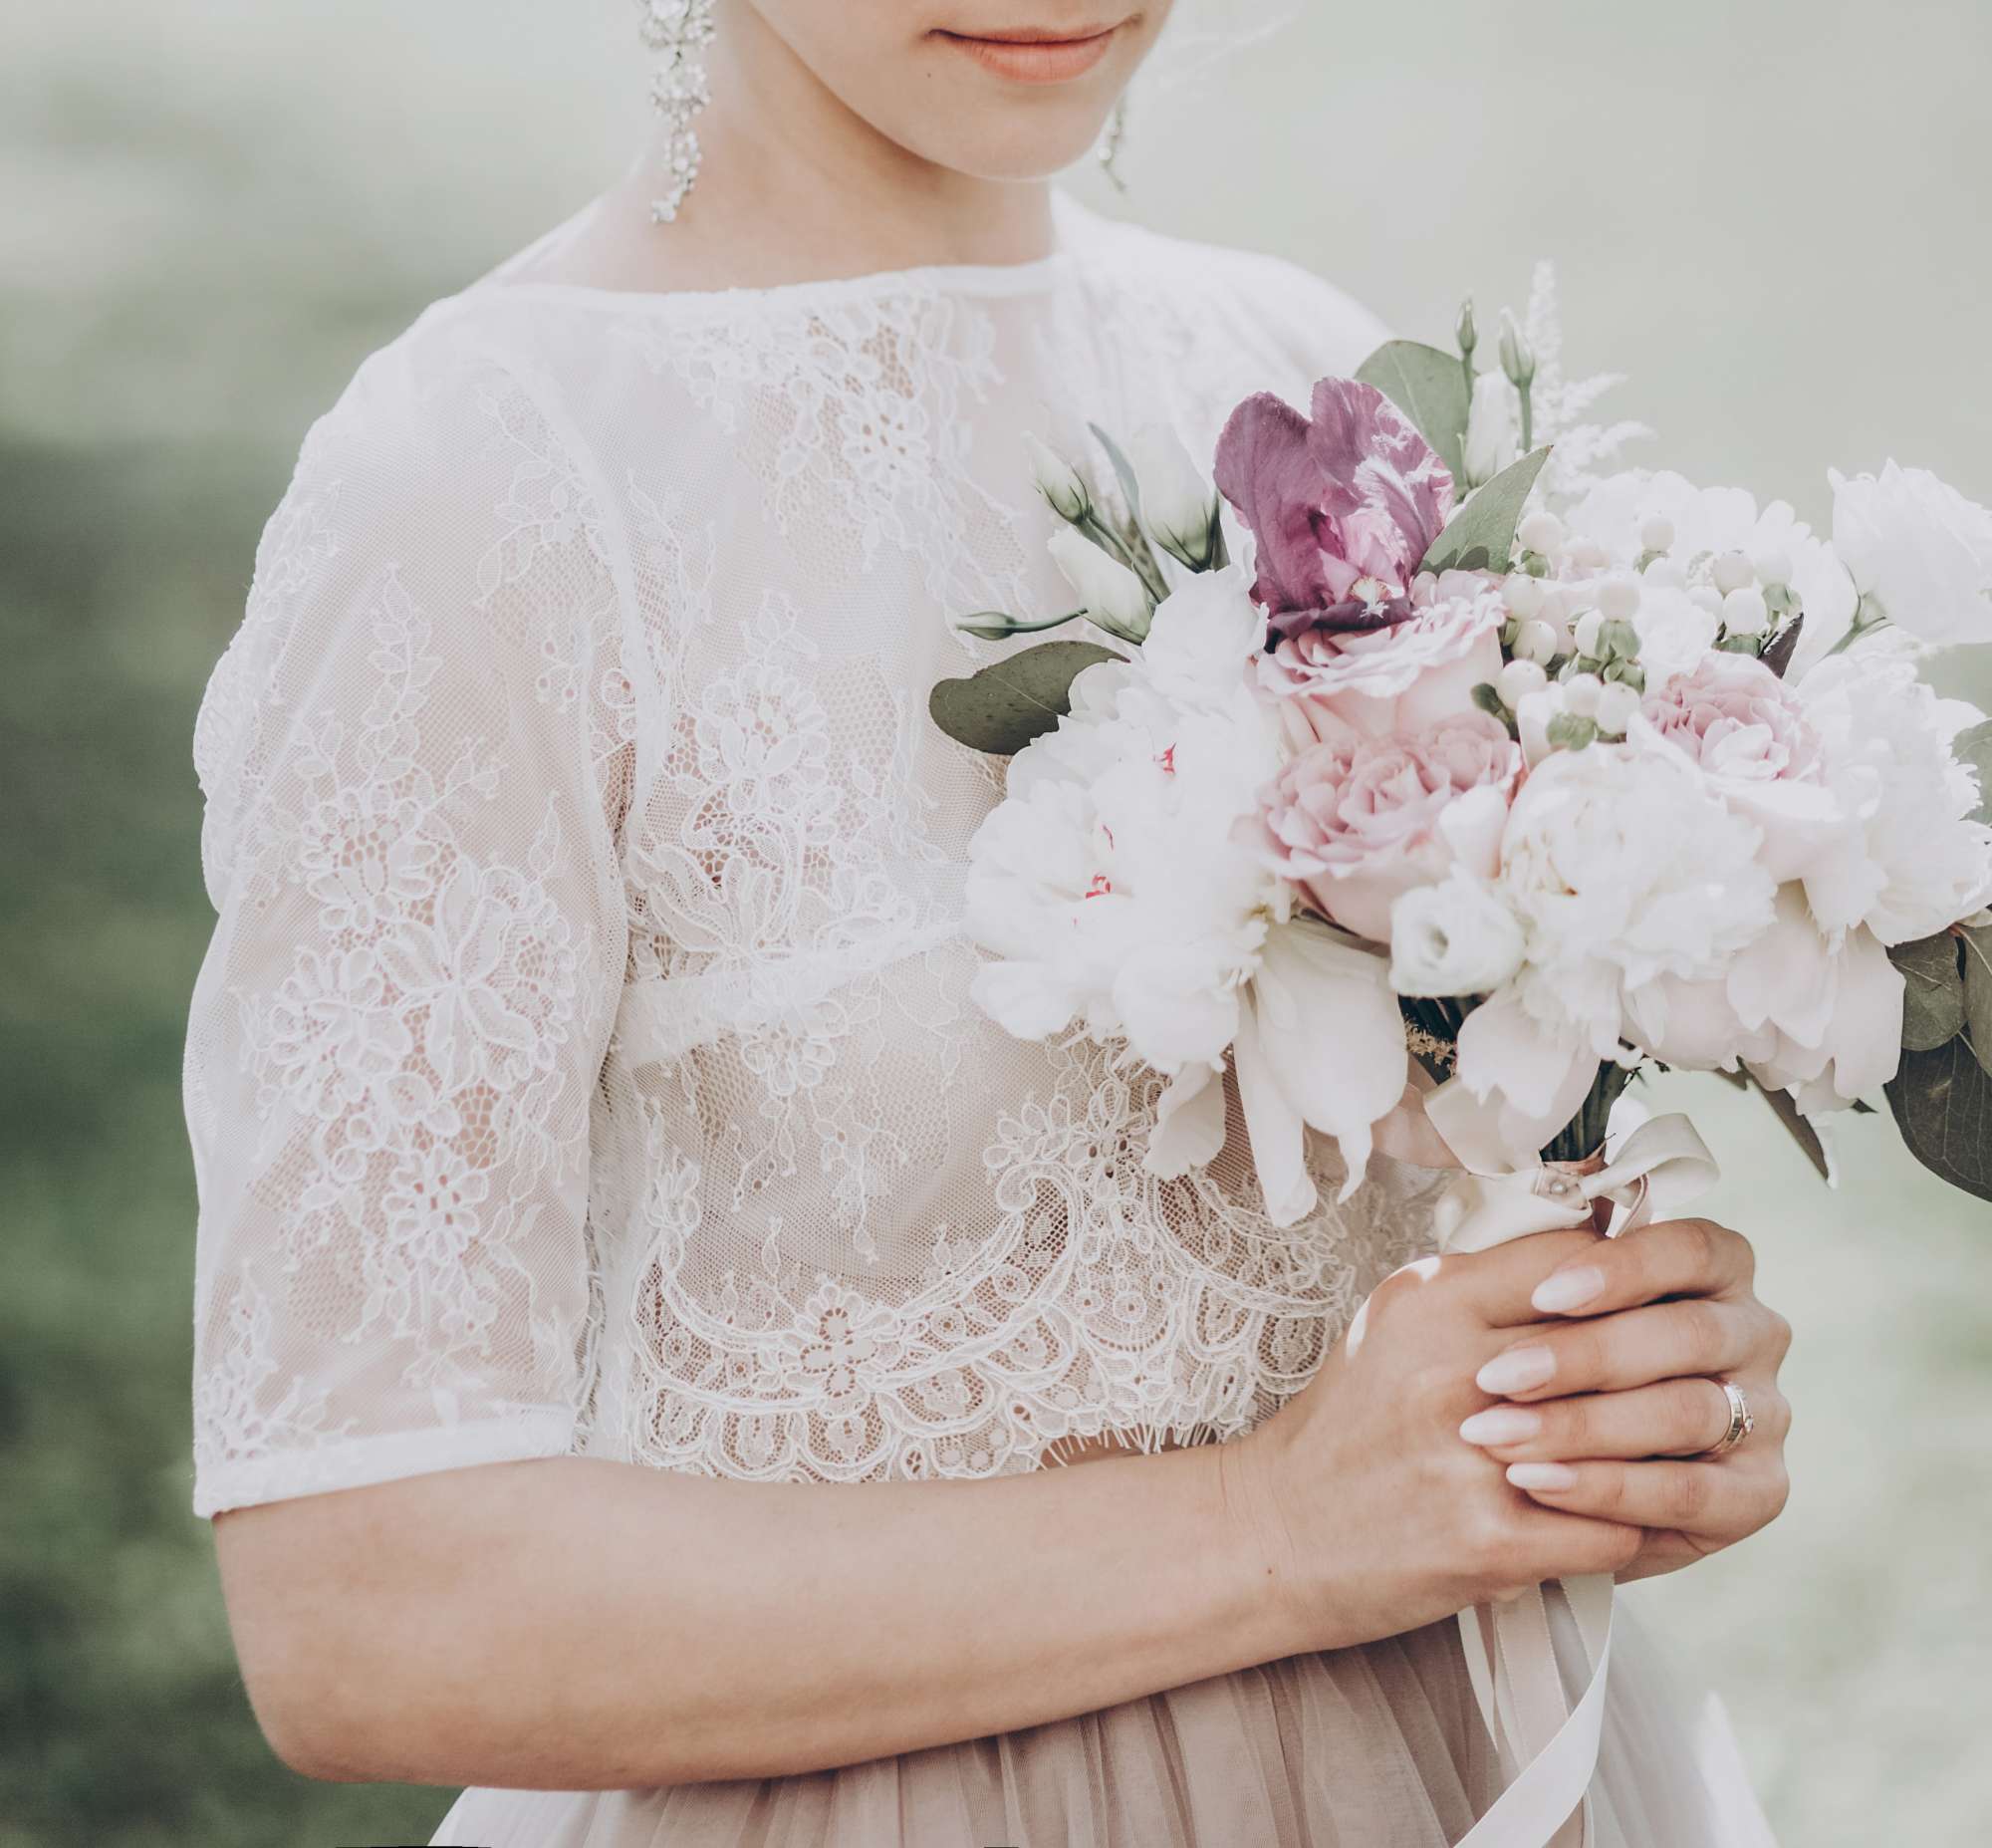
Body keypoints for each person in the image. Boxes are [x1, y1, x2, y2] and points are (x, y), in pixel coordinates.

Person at [184, 4, 1791, 1842]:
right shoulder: (482, 490)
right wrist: (1284, 1529)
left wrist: (1592, 1401)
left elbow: (1426, 1203)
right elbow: (363, 1606)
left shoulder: (1298, 384)